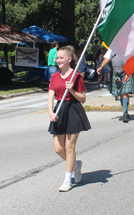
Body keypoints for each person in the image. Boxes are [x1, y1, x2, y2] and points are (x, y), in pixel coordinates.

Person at [47, 45, 90, 192]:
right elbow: (50, 97)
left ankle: (67, 180)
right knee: (59, 149)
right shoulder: (54, 77)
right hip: (59, 111)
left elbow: (83, 99)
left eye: (61, 58)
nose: (58, 60)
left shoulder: (76, 76)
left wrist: (71, 89)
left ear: (69, 59)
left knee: (69, 148)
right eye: (57, 58)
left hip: (73, 110)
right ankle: (76, 165)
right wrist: (50, 113)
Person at [98, 49, 134, 122]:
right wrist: (101, 66)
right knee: (120, 94)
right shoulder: (112, 49)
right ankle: (125, 112)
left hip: (126, 73)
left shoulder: (127, 48)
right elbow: (107, 59)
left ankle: (124, 114)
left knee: (125, 93)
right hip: (116, 74)